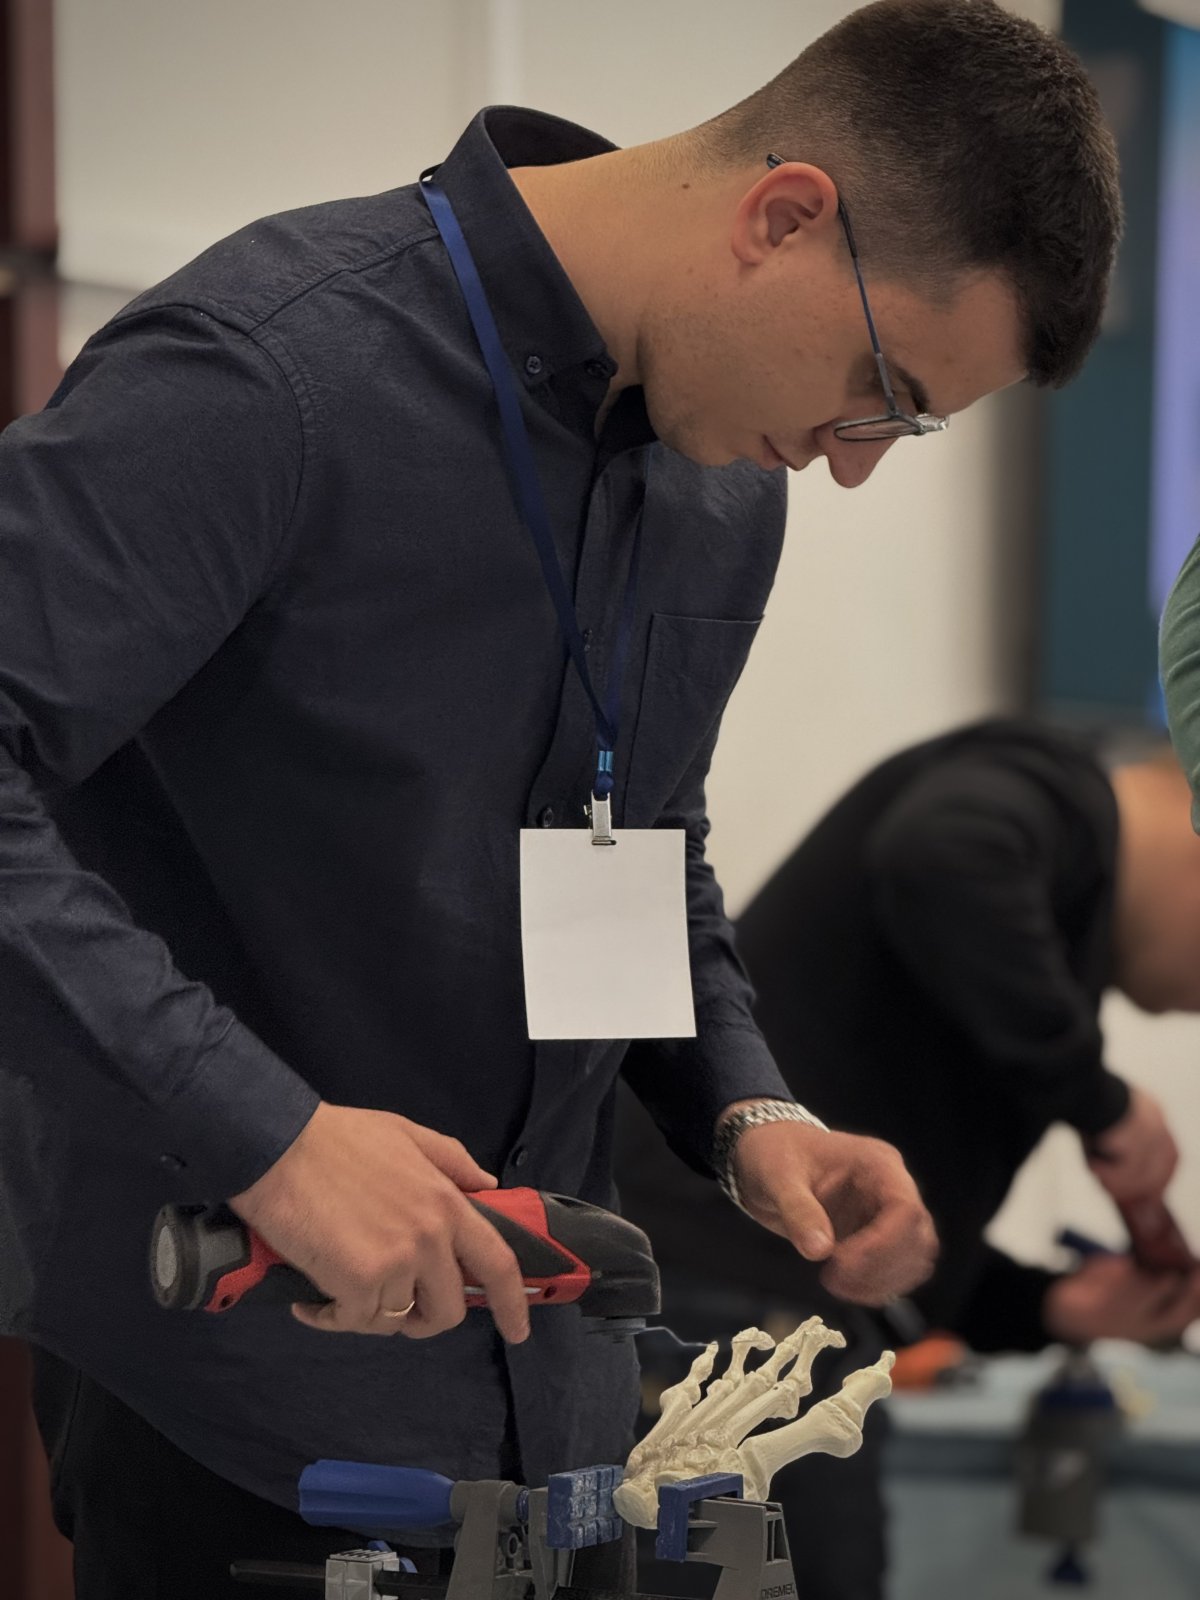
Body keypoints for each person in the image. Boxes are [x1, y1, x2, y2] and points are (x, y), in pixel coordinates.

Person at [0, 3, 1120, 1594]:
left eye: (909, 425)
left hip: (569, 1421)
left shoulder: (724, 486)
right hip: (245, 1398)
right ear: (783, 216)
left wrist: (747, 1110)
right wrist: (268, 1135)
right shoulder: (272, 370)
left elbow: (641, 841)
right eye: (880, 386)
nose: (855, 461)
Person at [617, 718, 1200, 1600]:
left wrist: (1047, 1305)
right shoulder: (1049, 792)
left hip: (766, 1319)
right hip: (731, 1324)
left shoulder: (1046, 872)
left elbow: (892, 1222)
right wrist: (1100, 1103)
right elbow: (938, 856)